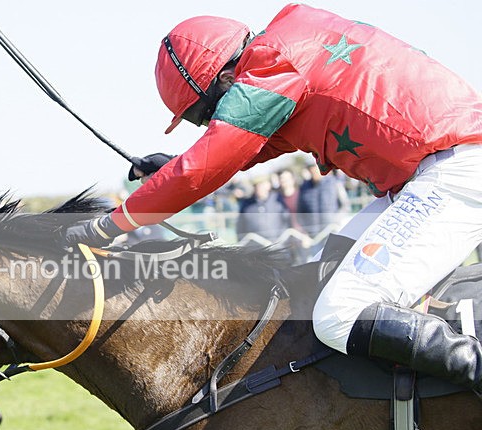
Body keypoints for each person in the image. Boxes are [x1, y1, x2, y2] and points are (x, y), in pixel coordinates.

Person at [64, 4, 482, 394]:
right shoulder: (290, 45)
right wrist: (172, 164)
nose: (211, 123)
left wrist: (109, 224)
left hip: (453, 169)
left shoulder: (272, 65)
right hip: (433, 171)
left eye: (206, 114)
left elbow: (206, 165)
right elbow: (245, 147)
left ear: (227, 80)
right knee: (317, 282)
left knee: (340, 315)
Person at [235, 174, 290, 245]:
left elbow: (287, 221)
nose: (259, 188)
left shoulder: (278, 200)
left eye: (261, 184)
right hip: (256, 250)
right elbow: (240, 227)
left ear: (268, 185)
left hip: (278, 247)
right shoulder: (247, 205)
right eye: (256, 185)